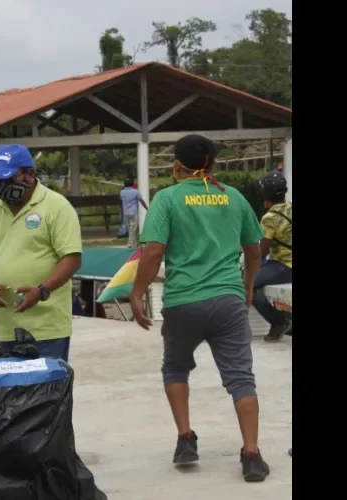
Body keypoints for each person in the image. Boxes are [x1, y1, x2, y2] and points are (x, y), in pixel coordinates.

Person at [130, 134, 270, 482]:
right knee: (241, 378)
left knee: (175, 368)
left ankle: (186, 439)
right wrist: (247, 285)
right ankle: (251, 454)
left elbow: (153, 251)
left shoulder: (167, 199)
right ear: (214, 164)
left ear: (177, 164)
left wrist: (137, 293)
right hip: (228, 301)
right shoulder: (233, 197)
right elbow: (254, 250)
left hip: (182, 302)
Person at [0, 144, 83, 362]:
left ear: (30, 175)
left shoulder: (57, 206)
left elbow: (72, 258)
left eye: (8, 179)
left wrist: (41, 291)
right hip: (8, 326)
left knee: (47, 392)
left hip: (48, 328)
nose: (1, 187)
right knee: (15, 393)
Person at [253, 171, 292, 342]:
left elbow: (262, 252)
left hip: (284, 265)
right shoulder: (290, 207)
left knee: (244, 283)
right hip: (285, 264)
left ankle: (279, 322)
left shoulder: (270, 218)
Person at [120, 177, 149, 248]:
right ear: (132, 184)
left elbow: (121, 198)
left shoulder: (121, 192)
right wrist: (147, 208)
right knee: (133, 229)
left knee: (130, 228)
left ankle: (135, 244)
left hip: (126, 213)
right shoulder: (135, 191)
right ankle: (130, 243)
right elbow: (141, 201)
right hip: (133, 212)